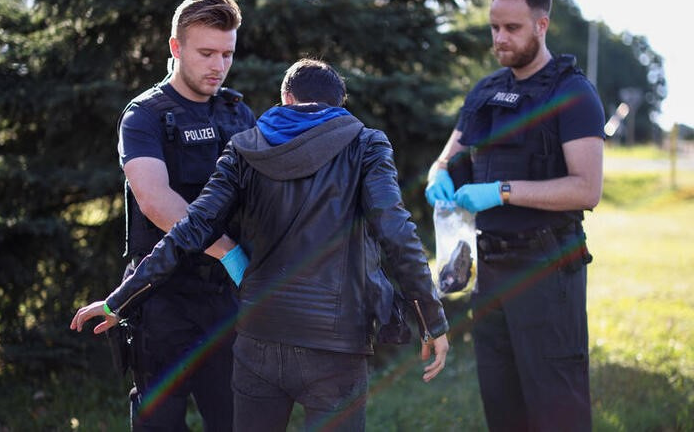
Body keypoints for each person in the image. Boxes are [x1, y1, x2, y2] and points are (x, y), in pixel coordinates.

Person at [72, 58, 450, 431]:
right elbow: (396, 231)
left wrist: (119, 300)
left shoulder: (243, 148)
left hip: (258, 343)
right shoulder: (365, 144)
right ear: (339, 105)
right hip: (335, 347)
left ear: (285, 98)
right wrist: (432, 319)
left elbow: (191, 228)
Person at [425, 0, 604, 431]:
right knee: (503, 408)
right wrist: (439, 177)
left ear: (542, 25)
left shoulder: (573, 94)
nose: (500, 38)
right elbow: (444, 159)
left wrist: (502, 191)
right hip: (490, 270)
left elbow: (587, 189)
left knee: (556, 410)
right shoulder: (485, 91)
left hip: (547, 268)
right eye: (494, 28)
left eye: (512, 28)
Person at [107, 0, 255, 431]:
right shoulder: (144, 116)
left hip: (225, 300)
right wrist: (230, 251)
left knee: (235, 420)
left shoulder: (237, 112)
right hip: (161, 299)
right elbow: (157, 202)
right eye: (206, 52)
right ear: (175, 48)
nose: (218, 65)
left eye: (227, 53)